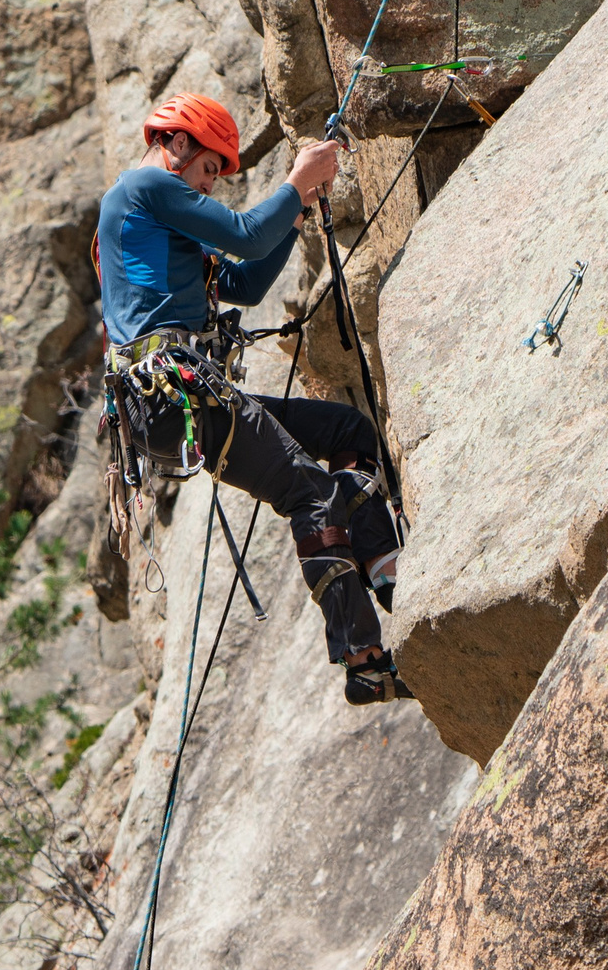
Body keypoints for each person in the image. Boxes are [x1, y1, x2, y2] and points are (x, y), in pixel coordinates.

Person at [97, 93, 415, 706]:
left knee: (346, 431)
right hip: (177, 394)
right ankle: (365, 658)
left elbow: (242, 281)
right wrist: (295, 184)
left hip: (175, 402)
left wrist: (295, 213)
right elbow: (245, 236)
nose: (210, 185)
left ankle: (383, 567)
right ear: (178, 144)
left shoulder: (160, 220)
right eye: (210, 168)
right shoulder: (144, 189)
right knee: (312, 492)